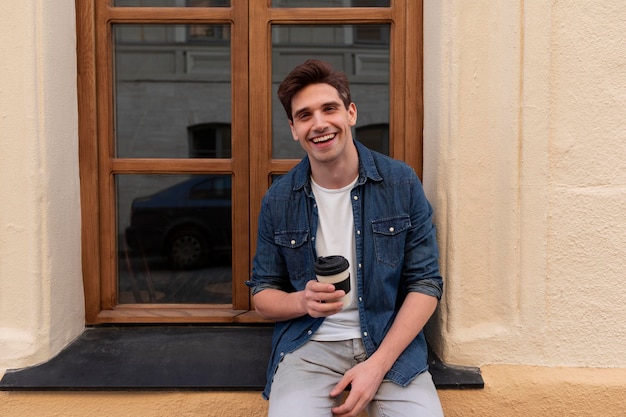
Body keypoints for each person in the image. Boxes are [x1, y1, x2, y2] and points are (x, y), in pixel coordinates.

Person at [246, 59, 444, 417]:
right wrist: (301, 302)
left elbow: (425, 284)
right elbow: (262, 294)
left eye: (329, 109)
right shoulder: (280, 198)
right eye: (305, 116)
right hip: (309, 348)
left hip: (389, 343)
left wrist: (377, 366)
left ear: (350, 113)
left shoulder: (400, 183)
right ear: (293, 129)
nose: (319, 123)